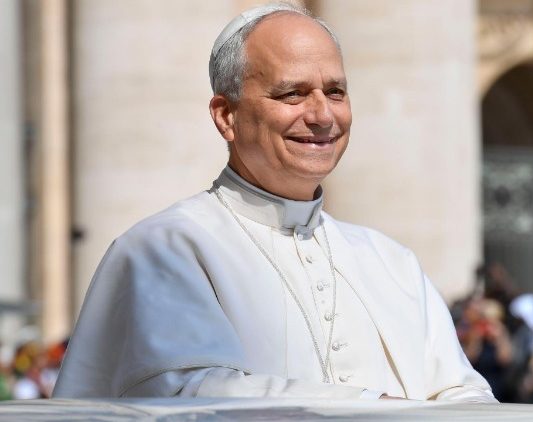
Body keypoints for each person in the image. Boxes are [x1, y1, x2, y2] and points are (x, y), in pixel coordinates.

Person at [52, 3, 495, 403]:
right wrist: (373, 409)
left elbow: (464, 392)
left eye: (335, 92)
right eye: (292, 94)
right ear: (226, 116)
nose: (322, 116)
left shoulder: (392, 262)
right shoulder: (164, 247)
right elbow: (188, 394)